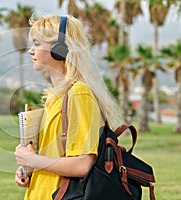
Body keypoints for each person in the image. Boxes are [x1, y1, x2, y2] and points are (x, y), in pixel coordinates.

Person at [14, 14, 122, 200]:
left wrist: (33, 160)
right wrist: (29, 168)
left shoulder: (79, 94)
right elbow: (56, 155)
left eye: (37, 44)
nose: (31, 51)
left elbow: (83, 165)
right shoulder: (55, 97)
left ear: (60, 49)